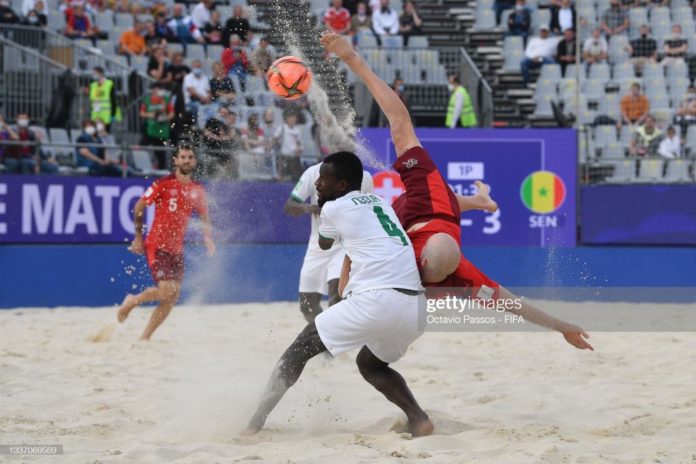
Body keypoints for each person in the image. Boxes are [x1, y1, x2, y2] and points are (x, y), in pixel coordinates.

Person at [321, 30, 592, 349]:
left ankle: (479, 201)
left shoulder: (434, 264)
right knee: (412, 152)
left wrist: (562, 327)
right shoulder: (438, 222)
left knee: (406, 201)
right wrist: (355, 61)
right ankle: (479, 201)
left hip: (412, 225)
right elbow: (399, 119)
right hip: (429, 209)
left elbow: (514, 304)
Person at [244, 150, 433, 437]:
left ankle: (253, 424)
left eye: (323, 179)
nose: (317, 184)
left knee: (298, 349)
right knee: (370, 365)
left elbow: (323, 243)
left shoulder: (332, 209)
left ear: (342, 185)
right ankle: (419, 419)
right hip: (416, 310)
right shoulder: (381, 201)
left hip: (378, 300)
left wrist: (322, 206)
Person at [117, 146, 215, 340]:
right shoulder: (164, 184)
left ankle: (145, 337)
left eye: (190, 157)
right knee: (166, 290)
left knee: (172, 297)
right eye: (183, 157)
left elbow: (204, 216)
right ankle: (132, 301)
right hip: (157, 245)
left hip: (176, 249)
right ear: (176, 161)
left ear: (195, 162)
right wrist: (138, 237)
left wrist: (208, 238)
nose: (187, 160)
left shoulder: (197, 190)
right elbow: (139, 206)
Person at [285, 162, 373, 322]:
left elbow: (370, 210)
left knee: (337, 297)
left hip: (344, 244)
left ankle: (331, 340)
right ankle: (323, 338)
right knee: (307, 306)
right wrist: (309, 208)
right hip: (317, 246)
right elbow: (290, 205)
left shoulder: (364, 177)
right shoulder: (313, 172)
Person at [139, 83, 175, 168]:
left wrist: (165, 118)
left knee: (160, 153)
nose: (157, 92)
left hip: (162, 131)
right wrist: (150, 115)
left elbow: (172, 113)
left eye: (159, 89)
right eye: (155, 89)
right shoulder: (147, 100)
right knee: (141, 147)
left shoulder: (166, 100)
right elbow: (141, 113)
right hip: (150, 130)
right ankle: (141, 167)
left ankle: (161, 171)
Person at [89, 67, 120, 132]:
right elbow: (92, 101)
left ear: (100, 74)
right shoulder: (93, 85)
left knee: (105, 134)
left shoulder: (109, 84)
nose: (93, 75)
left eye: (95, 73)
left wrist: (113, 114)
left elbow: (113, 100)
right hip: (96, 115)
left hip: (106, 115)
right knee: (97, 134)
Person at [276, 111, 303, 181]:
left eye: (293, 118)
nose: (292, 120)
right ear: (287, 119)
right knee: (285, 160)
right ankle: (281, 177)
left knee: (296, 162)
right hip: (284, 154)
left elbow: (299, 142)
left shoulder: (298, 130)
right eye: (290, 118)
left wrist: (299, 149)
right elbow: (275, 138)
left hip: (294, 155)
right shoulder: (282, 128)